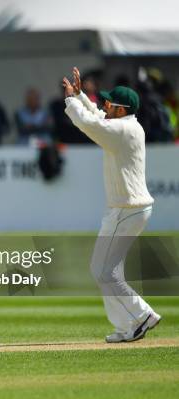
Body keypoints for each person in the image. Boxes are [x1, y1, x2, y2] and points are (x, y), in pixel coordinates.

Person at [63, 67, 161, 343]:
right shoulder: (124, 124)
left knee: (103, 271)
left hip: (127, 209)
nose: (103, 105)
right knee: (106, 271)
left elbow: (90, 124)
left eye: (108, 103)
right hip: (126, 208)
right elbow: (98, 117)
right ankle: (125, 325)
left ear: (120, 109)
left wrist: (71, 100)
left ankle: (142, 315)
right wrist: (82, 95)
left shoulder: (123, 130)